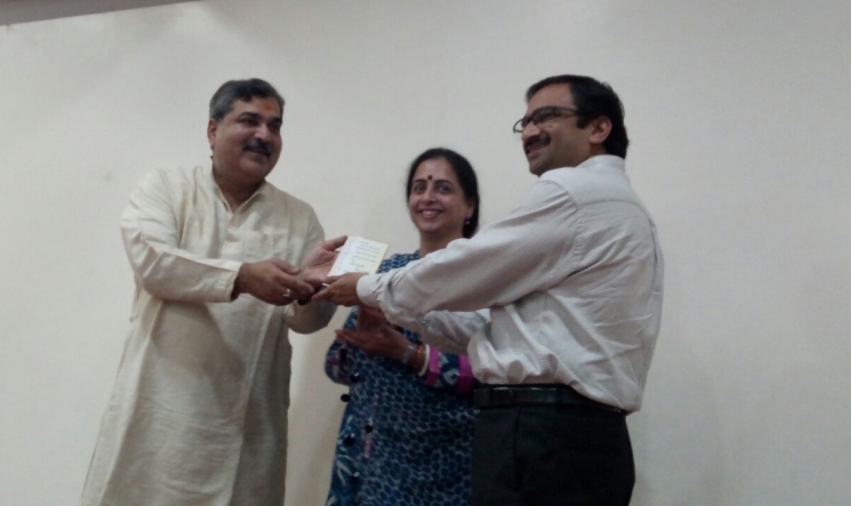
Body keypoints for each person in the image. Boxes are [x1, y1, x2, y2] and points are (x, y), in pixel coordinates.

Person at [316, 74, 664, 506]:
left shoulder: (574, 192)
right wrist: (383, 303)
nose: (530, 131)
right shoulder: (615, 204)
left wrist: (369, 289)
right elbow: (497, 331)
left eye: (546, 116)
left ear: (598, 127)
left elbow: (463, 270)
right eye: (525, 122)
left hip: (540, 436)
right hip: (563, 438)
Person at [82, 78, 340, 506]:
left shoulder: (299, 217)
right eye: (249, 121)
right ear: (213, 130)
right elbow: (154, 263)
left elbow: (306, 321)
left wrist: (312, 292)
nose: (264, 135)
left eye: (274, 126)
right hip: (156, 415)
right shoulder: (167, 187)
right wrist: (242, 276)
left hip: (245, 427)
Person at [324, 148, 486, 506]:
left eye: (443, 188)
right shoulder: (385, 272)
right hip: (374, 463)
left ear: (469, 206)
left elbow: (497, 373)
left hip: (453, 463)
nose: (428, 197)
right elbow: (337, 367)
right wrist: (358, 340)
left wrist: (409, 354)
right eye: (419, 187)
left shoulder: (485, 279)